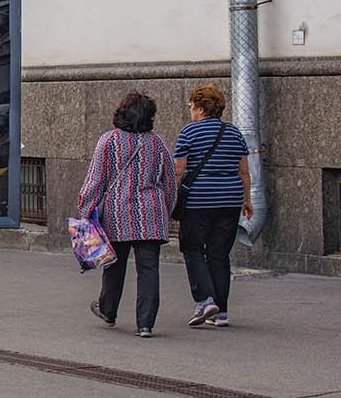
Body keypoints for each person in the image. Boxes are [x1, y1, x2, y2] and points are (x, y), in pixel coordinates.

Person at [76, 92, 178, 338]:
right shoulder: (157, 143)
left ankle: (108, 311)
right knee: (149, 270)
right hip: (151, 214)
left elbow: (95, 179)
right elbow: (170, 182)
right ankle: (145, 324)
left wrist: (85, 209)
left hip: (116, 213)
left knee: (114, 265)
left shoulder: (108, 141)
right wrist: (166, 210)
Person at [175, 83, 252, 328]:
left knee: (193, 248)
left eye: (191, 106)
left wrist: (170, 197)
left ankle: (205, 300)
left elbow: (178, 170)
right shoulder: (234, 133)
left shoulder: (189, 133)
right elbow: (244, 171)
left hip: (198, 201)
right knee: (219, 254)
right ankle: (222, 313)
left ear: (200, 108)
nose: (190, 110)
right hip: (230, 201)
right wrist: (247, 200)